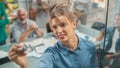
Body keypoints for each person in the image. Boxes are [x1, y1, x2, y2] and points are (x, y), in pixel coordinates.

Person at [8, 4, 98, 68]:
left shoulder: (89, 46)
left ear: (73, 24)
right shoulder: (51, 54)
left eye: (63, 25)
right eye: (54, 27)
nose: (58, 31)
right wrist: (24, 65)